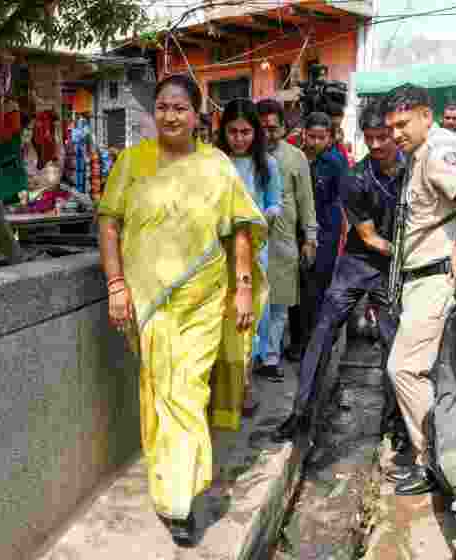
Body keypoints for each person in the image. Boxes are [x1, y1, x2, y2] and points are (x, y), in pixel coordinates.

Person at [97, 75, 268, 546]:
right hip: (147, 300)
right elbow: (109, 225)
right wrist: (115, 285)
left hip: (203, 299)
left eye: (180, 108)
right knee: (158, 391)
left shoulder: (215, 166)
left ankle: (179, 499)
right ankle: (170, 479)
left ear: (197, 116)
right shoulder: (131, 162)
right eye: (163, 106)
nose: (171, 115)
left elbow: (238, 229)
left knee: (186, 392)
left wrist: (244, 289)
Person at [381, 84, 456, 496]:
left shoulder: (438, 148)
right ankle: (441, 457)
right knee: (429, 373)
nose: (396, 133)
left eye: (402, 123)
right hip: (420, 278)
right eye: (390, 126)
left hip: (437, 278)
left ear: (425, 116)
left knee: (404, 369)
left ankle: (431, 459)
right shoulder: (421, 153)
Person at [274, 99, 403, 448]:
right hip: (361, 260)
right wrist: (409, 251)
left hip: (393, 267)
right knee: (322, 331)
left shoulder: (413, 170)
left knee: (394, 344)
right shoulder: (355, 177)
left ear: (396, 133)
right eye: (370, 137)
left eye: (383, 137)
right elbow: (369, 237)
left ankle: (394, 424)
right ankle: (300, 413)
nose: (376, 145)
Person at [216, 99, 284, 413]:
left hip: (256, 250)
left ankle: (245, 387)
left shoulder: (266, 164)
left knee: (251, 316)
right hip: (217, 249)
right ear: (223, 132)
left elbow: (275, 204)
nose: (239, 138)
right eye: (233, 131)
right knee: (220, 316)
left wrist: (258, 220)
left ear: (255, 133)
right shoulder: (215, 162)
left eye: (245, 132)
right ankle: (222, 387)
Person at [255, 99, 318, 382]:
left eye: (274, 128)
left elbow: (306, 201)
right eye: (263, 128)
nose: (268, 134)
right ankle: (256, 354)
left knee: (280, 303)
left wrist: (310, 238)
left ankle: (271, 358)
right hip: (253, 240)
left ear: (283, 127)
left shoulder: (296, 158)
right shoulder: (245, 157)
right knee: (256, 301)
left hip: (284, 240)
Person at [290, 112, 347, 363]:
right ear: (304, 134)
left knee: (317, 285)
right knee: (298, 285)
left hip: (325, 229)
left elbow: (342, 197)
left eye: (320, 137)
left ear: (330, 138)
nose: (315, 142)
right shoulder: (296, 157)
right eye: (311, 136)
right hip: (297, 228)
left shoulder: (334, 162)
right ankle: (297, 340)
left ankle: (315, 341)